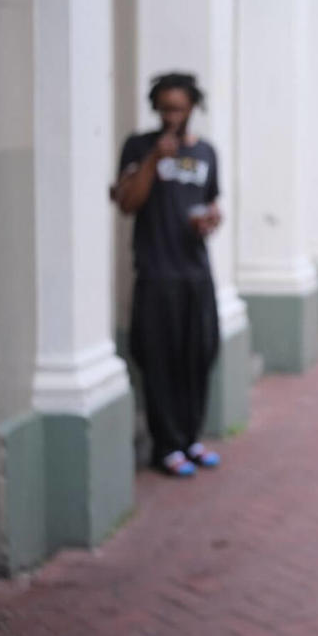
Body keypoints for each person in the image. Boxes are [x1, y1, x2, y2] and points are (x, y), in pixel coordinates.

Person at [114, 71, 223, 477]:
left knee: (199, 355)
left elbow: (209, 203)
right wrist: (154, 160)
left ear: (192, 107)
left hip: (196, 273)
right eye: (164, 108)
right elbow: (127, 202)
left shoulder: (207, 152)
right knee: (159, 360)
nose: (171, 116)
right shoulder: (140, 146)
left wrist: (211, 220)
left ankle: (190, 438)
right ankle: (167, 446)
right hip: (157, 272)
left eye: (178, 108)